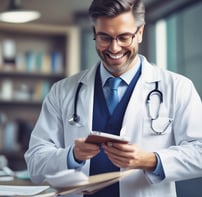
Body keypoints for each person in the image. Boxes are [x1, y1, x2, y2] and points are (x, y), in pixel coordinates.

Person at [24, 0, 202, 196]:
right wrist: (71, 156)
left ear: (140, 33)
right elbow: (35, 162)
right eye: (105, 38)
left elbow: (199, 152)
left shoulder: (178, 87)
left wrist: (150, 160)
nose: (115, 48)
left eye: (124, 37)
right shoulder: (62, 91)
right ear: (94, 33)